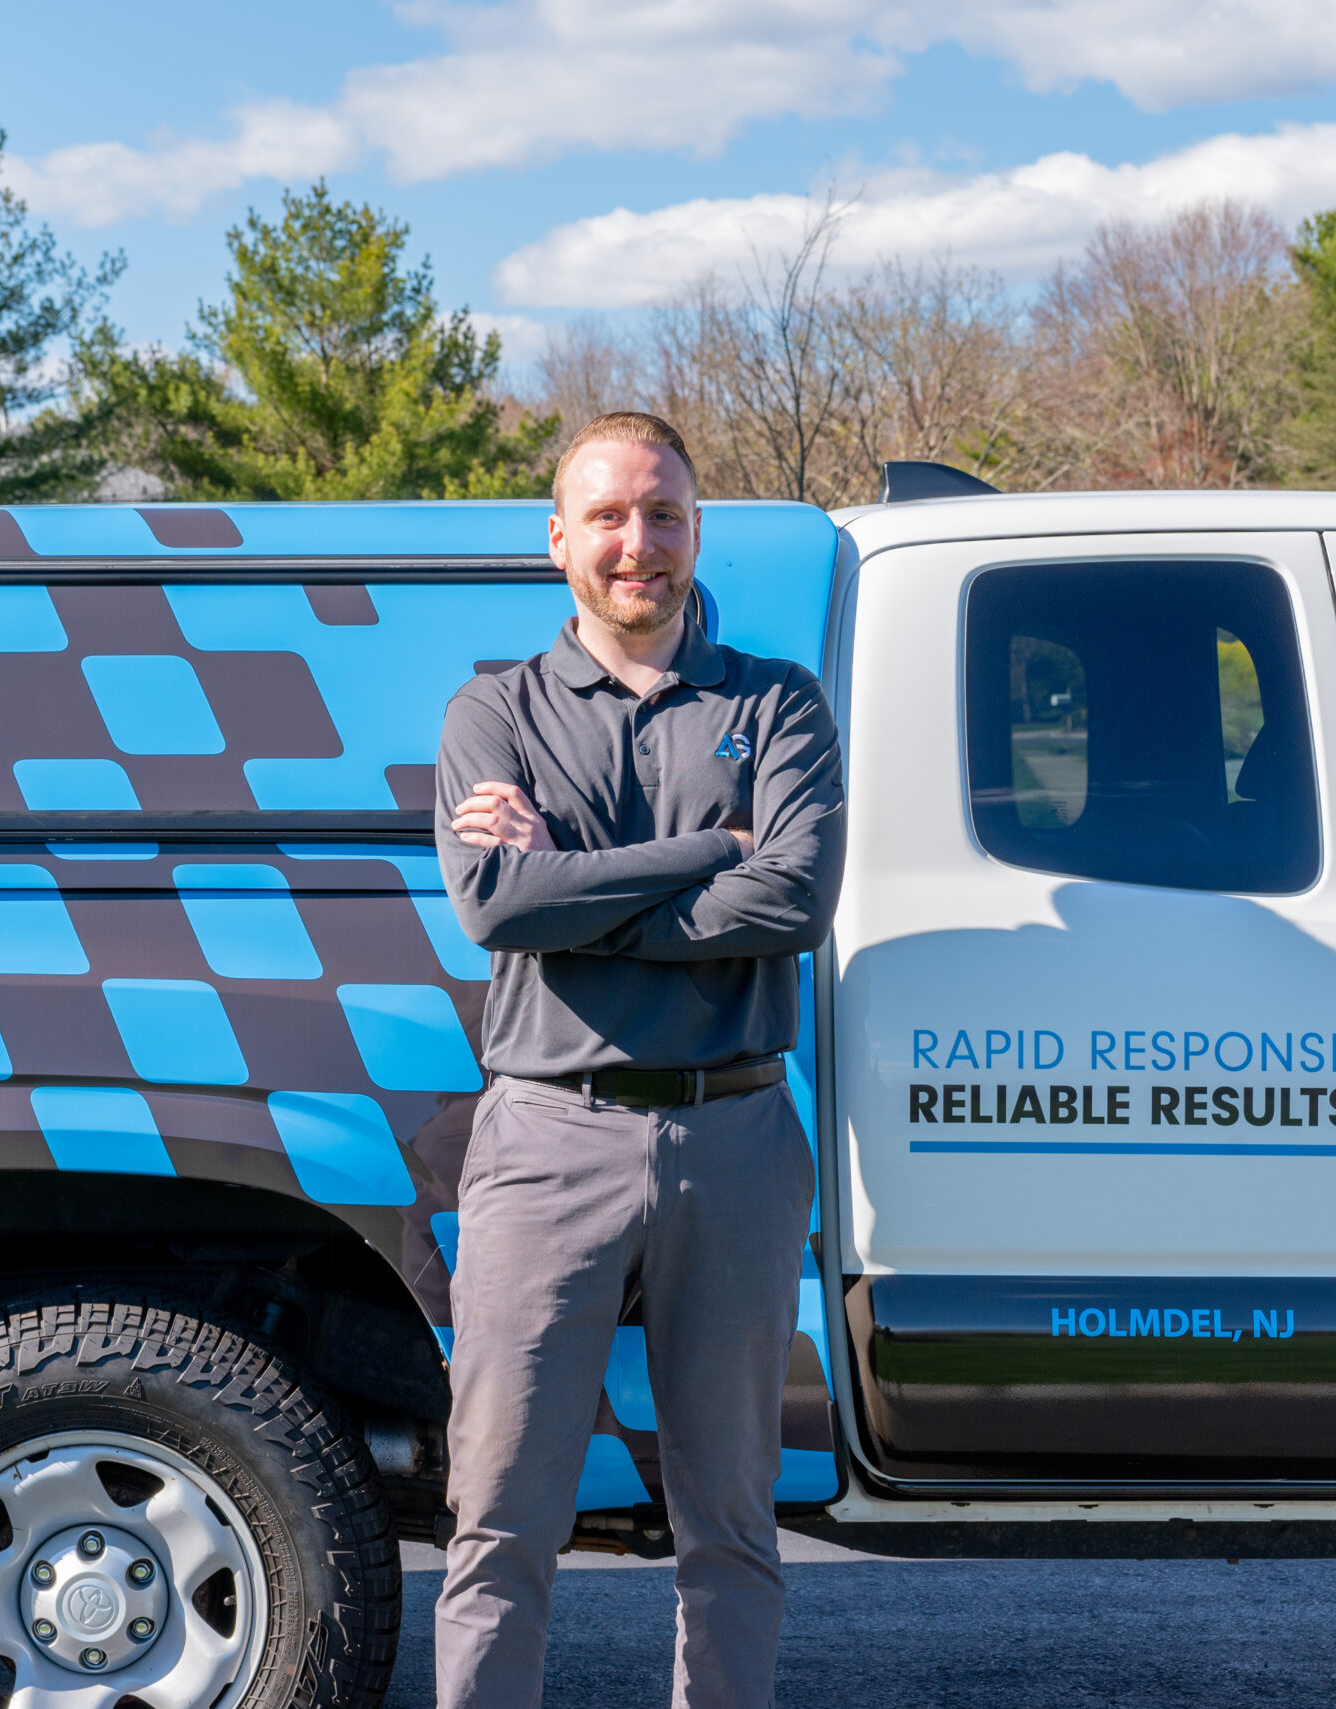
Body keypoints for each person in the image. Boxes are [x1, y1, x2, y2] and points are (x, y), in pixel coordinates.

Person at [431, 411, 844, 1708]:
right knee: (501, 1517)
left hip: (732, 1137)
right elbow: (499, 907)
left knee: (729, 1521)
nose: (637, 542)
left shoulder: (775, 701)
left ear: (694, 530)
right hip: (548, 1136)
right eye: (607, 514)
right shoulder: (493, 711)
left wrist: (576, 881)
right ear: (559, 538)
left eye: (662, 513)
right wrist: (709, 849)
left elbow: (796, 900)